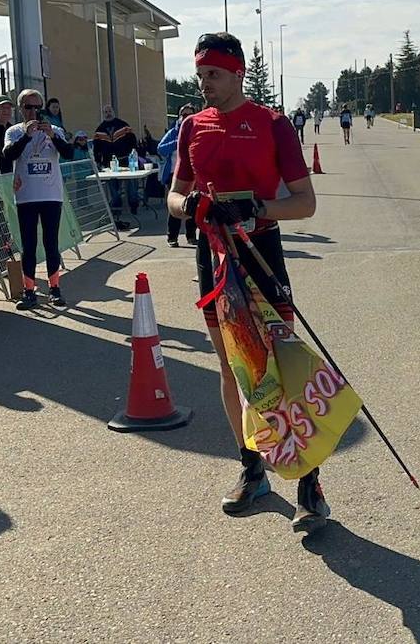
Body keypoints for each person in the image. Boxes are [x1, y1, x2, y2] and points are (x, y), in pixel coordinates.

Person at [166, 32, 324, 532]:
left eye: (213, 74)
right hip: (213, 255)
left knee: (282, 362)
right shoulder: (192, 124)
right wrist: (188, 206)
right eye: (200, 74)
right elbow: (174, 195)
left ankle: (308, 482)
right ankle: (252, 468)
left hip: (261, 252)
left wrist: (259, 207)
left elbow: (305, 202)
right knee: (233, 365)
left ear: (237, 74)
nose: (205, 83)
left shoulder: (272, 125)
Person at [3, 89, 72, 310]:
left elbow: (69, 153)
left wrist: (51, 135)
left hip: (51, 195)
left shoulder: (55, 130)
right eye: (28, 107)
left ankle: (55, 289)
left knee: (51, 243)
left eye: (37, 107)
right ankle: (29, 291)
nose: (33, 112)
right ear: (21, 109)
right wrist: (27, 136)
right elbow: (9, 155)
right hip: (26, 196)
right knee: (29, 245)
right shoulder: (14, 131)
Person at [159, 103, 198, 247]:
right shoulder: (173, 132)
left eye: (189, 114)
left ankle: (191, 236)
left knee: (193, 205)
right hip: (174, 175)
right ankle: (172, 237)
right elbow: (161, 149)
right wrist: (178, 142)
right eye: (183, 115)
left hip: (193, 176)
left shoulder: (198, 129)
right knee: (175, 206)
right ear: (179, 117)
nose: (186, 117)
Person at [95, 105, 141, 226]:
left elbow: (133, 140)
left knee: (131, 186)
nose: (108, 113)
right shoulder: (100, 129)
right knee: (114, 189)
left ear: (113, 112)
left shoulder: (123, 125)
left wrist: (133, 152)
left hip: (126, 161)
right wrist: (97, 161)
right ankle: (116, 209)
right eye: (105, 112)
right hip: (109, 164)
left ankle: (134, 206)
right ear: (103, 114)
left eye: (110, 111)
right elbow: (96, 148)